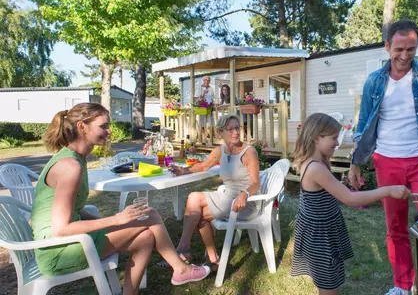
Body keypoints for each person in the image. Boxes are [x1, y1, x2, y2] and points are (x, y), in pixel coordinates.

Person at [31, 103, 210, 295]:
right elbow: (60, 229)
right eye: (103, 126)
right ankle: (181, 269)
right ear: (82, 126)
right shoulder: (70, 166)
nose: (109, 132)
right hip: (58, 251)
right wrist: (116, 220)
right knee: (149, 214)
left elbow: (73, 209)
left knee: (147, 237)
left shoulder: (76, 159)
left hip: (71, 241)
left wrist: (111, 223)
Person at [348, 20, 418, 295]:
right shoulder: (374, 81)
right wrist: (355, 163)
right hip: (386, 161)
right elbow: (363, 124)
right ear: (386, 46)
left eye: (411, 49)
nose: (404, 56)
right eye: (399, 49)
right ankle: (402, 285)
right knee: (396, 227)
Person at [290, 113, 411, 295]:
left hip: (323, 232)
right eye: (333, 138)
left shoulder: (317, 162)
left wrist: (343, 184)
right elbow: (350, 199)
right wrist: (388, 190)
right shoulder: (315, 168)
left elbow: (332, 191)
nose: (337, 143)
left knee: (329, 282)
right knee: (329, 287)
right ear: (317, 138)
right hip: (320, 238)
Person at [165, 115, 261, 273]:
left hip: (245, 203)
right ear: (220, 132)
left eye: (238, 128)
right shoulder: (220, 151)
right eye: (230, 129)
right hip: (227, 198)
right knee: (198, 211)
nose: (236, 132)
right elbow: (203, 166)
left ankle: (185, 249)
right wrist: (183, 170)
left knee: (194, 199)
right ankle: (212, 259)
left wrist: (244, 194)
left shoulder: (248, 152)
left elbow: (256, 184)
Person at [199, 76, 214, 143]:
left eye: (208, 80)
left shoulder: (211, 88)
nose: (206, 81)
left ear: (209, 81)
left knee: (210, 124)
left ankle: (211, 139)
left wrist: (213, 104)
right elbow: (197, 99)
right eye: (205, 80)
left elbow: (213, 98)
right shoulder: (200, 88)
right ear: (203, 80)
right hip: (202, 108)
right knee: (202, 125)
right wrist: (203, 93)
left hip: (209, 108)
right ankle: (204, 139)